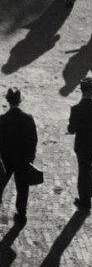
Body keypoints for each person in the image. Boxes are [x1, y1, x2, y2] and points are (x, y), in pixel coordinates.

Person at [67, 77, 92, 212]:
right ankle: (88, 194)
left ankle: (85, 200)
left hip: (81, 146)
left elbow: (71, 129)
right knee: (87, 167)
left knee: (83, 170)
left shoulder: (76, 109)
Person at [0, 88, 38, 226]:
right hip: (22, 160)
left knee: (0, 185)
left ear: (8, 101)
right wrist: (30, 158)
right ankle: (21, 214)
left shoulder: (2, 119)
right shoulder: (28, 118)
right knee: (22, 188)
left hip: (6, 160)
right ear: (19, 101)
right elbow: (33, 140)